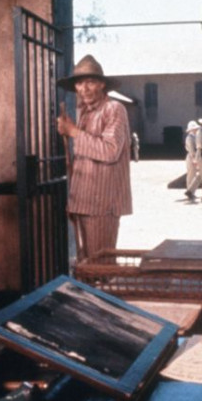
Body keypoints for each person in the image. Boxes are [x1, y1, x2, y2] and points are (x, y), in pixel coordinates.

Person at [56, 54, 132, 259]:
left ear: (102, 84)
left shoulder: (114, 109)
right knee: (86, 263)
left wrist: (73, 132)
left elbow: (110, 150)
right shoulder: (85, 113)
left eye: (90, 82)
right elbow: (83, 159)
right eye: (79, 83)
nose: (84, 88)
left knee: (100, 265)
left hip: (102, 204)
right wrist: (74, 199)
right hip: (83, 201)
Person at [184, 120, 199, 199]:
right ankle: (189, 191)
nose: (196, 130)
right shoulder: (190, 138)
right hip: (191, 157)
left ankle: (191, 191)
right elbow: (192, 150)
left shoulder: (194, 137)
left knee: (193, 175)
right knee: (191, 175)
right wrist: (194, 159)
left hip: (194, 156)